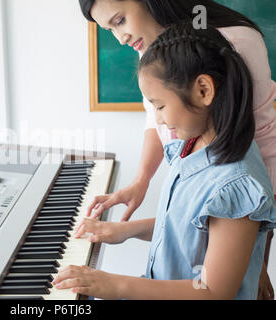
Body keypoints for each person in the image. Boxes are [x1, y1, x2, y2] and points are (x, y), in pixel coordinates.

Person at [52, 22, 276, 300]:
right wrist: (124, 230)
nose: (157, 119)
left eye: (159, 106)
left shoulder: (237, 185)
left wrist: (115, 285)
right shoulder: (191, 147)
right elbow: (184, 227)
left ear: (203, 90)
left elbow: (213, 292)